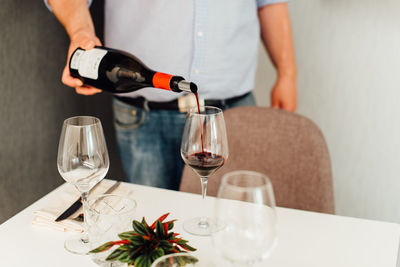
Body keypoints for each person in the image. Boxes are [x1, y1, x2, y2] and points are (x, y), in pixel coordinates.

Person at [46, 0, 297, 190]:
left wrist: (287, 73)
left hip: (232, 115)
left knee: (229, 227)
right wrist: (81, 33)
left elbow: (269, 2)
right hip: (143, 120)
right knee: (155, 234)